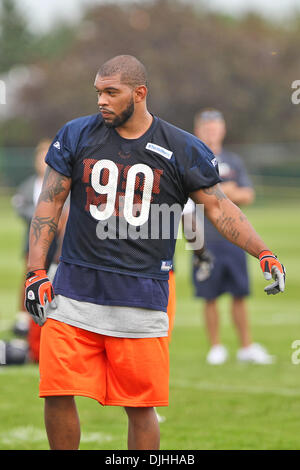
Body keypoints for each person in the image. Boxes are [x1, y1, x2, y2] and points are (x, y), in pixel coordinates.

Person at [24, 55, 285, 450]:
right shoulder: (76, 134)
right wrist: (35, 271)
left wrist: (264, 252)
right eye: (98, 92)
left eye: (112, 92)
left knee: (140, 406)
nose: (102, 101)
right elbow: (49, 204)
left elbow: (219, 208)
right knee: (57, 390)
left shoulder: (181, 147)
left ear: (140, 93)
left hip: (141, 296)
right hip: (74, 288)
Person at [187, 108, 276, 365]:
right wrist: (226, 191)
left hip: (235, 240)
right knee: (209, 295)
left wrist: (218, 193)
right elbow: (196, 197)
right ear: (198, 131)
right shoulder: (193, 159)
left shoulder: (234, 161)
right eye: (206, 127)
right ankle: (216, 347)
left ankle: (246, 346)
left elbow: (247, 195)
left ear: (223, 129)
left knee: (239, 293)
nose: (211, 131)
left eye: (215, 126)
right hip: (205, 239)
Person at [11, 139, 68, 363]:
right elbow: (22, 207)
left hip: (58, 245)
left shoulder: (63, 183)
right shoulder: (29, 185)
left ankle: (48, 334)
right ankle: (25, 321)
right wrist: (43, 220)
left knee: (55, 286)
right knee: (31, 280)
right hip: (35, 243)